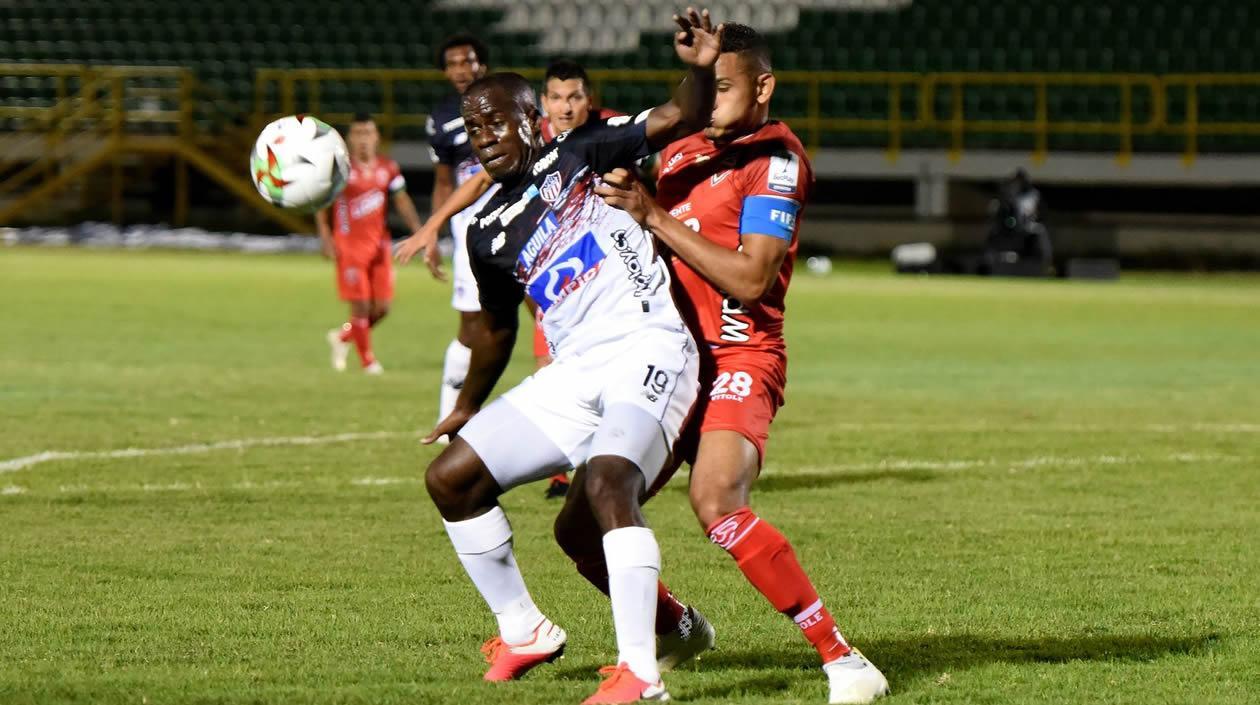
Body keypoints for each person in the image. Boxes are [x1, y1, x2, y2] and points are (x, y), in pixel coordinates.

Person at [420, 10, 721, 703]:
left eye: (496, 120)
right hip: (577, 370)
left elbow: (681, 113)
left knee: (607, 485)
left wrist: (701, 66)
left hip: (650, 345)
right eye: (474, 128)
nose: (485, 136)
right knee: (452, 479)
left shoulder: (583, 151)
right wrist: (466, 404)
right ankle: (524, 628)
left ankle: (640, 675)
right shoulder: (486, 231)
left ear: (533, 119)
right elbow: (494, 330)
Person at [589, 23, 889, 704]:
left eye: (725, 86)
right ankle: (675, 626)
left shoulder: (776, 158)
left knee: (716, 496)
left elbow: (753, 279)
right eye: (708, 85)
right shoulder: (683, 150)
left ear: (763, 86)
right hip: (668, 358)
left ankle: (843, 660)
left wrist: (654, 216)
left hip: (739, 352)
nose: (713, 100)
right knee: (583, 515)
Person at [398, 56, 624, 498]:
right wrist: (433, 224)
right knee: (550, 356)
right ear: (542, 104)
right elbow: (481, 181)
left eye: (574, 97)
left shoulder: (605, 133)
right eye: (556, 98)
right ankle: (566, 471)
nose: (565, 107)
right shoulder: (533, 140)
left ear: (588, 100)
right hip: (559, 275)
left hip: (617, 278)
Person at [426, 34, 496, 435]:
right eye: (452, 64)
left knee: (545, 317)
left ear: (481, 64)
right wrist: (434, 232)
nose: (461, 70)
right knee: (470, 326)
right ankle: (448, 415)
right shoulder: (440, 119)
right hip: (469, 229)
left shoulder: (506, 99)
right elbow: (442, 181)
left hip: (520, 220)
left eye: (467, 62)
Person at [319, 113, 423, 374]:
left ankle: (343, 337)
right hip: (349, 246)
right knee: (361, 305)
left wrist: (419, 232)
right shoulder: (341, 169)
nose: (363, 139)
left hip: (379, 246)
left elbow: (401, 201)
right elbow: (322, 202)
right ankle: (368, 361)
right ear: (349, 139)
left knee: (383, 308)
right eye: (358, 134)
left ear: (376, 137)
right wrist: (325, 235)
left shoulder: (388, 168)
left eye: (368, 133)